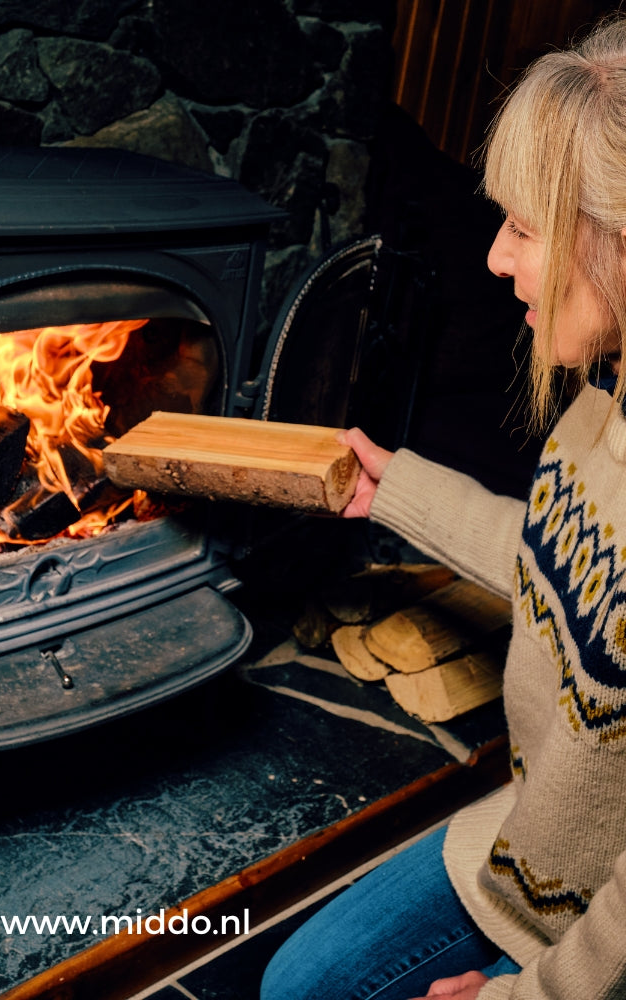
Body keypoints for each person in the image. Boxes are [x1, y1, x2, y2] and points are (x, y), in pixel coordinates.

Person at [260, 15, 626, 1000]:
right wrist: (398, 490)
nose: (496, 261)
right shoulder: (602, 407)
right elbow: (568, 576)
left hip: (587, 941)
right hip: (523, 847)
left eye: (523, 228)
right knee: (291, 983)